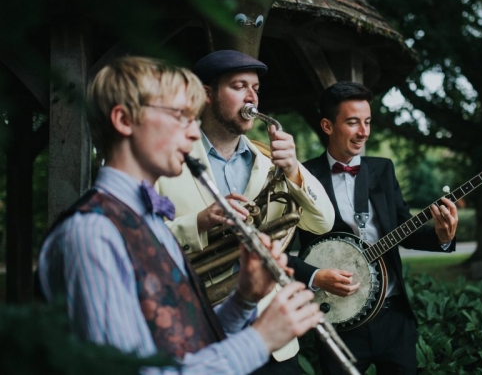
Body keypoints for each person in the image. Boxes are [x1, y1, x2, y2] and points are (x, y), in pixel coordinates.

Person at [38, 56, 323, 375]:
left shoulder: (146, 220)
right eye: (180, 117)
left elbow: (179, 345)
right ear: (124, 120)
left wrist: (244, 298)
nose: (192, 134)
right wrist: (259, 339)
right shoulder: (92, 233)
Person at [154, 50, 336, 374]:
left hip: (275, 344)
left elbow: (323, 222)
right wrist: (198, 222)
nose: (252, 96)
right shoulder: (166, 161)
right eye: (239, 86)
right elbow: (138, 242)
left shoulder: (270, 161)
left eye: (255, 88)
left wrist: (294, 169)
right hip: (201, 337)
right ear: (206, 94)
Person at [297, 81, 459, 374]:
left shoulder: (382, 169)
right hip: (338, 320)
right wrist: (315, 276)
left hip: (393, 317)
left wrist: (442, 237)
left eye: (368, 122)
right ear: (327, 125)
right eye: (353, 122)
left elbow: (403, 229)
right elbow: (282, 252)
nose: (364, 132)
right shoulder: (303, 176)